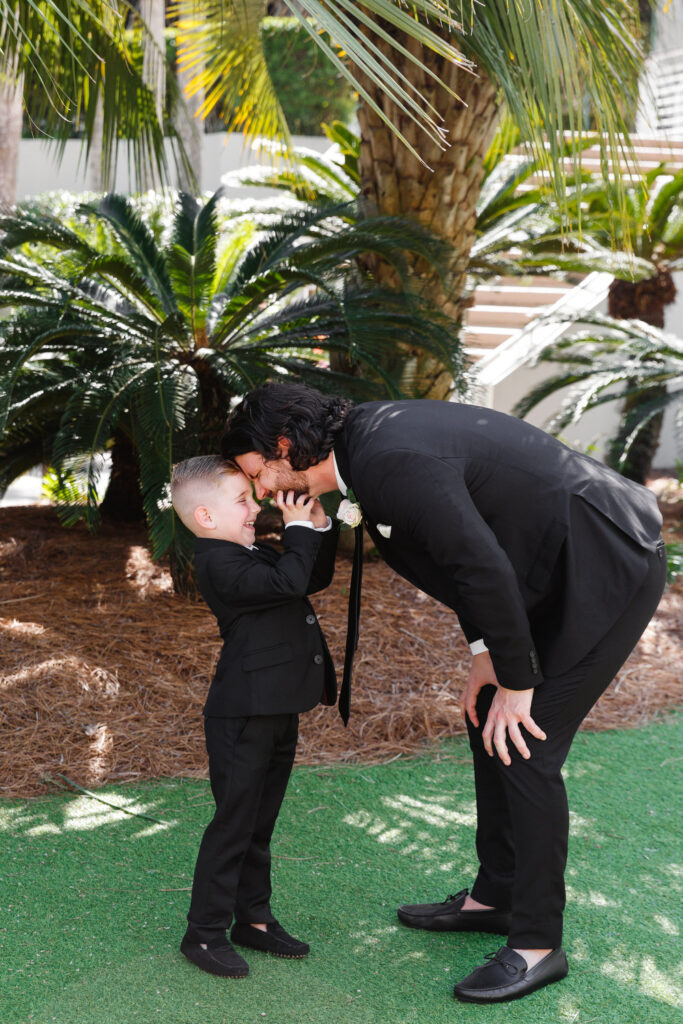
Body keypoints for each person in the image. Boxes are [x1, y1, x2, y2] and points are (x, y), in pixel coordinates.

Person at [221, 381, 666, 1003]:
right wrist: (488, 655)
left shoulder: (386, 459)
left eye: (257, 473)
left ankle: (537, 944)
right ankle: (496, 895)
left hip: (608, 560)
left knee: (528, 745)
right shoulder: (363, 445)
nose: (264, 491)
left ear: (285, 445)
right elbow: (463, 554)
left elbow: (476, 565)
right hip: (547, 564)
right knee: (489, 713)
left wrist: (518, 679)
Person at [170, 455, 338, 978]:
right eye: (242, 501)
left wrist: (317, 523)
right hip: (242, 713)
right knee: (234, 823)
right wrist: (293, 532)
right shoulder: (218, 561)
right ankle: (202, 933)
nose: (254, 508)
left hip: (276, 705)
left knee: (259, 822)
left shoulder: (252, 552)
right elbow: (290, 582)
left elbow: (312, 575)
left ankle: (254, 918)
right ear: (205, 517)